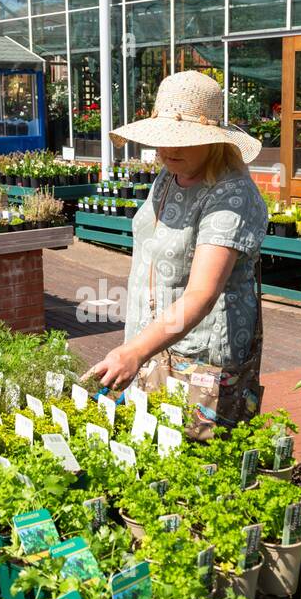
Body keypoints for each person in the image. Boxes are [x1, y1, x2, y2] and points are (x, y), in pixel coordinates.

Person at [82, 70, 268, 433]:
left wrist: (135, 351)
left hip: (198, 363)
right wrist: (139, 347)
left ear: (213, 140)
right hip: (154, 346)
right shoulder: (169, 176)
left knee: (197, 464)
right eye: (163, 140)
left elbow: (202, 294)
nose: (168, 150)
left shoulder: (232, 195)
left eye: (181, 140)